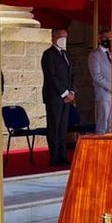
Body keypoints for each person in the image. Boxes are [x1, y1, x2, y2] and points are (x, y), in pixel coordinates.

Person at [41, 27, 75, 166]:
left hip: (67, 98)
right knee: (54, 127)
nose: (63, 40)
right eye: (61, 37)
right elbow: (51, 76)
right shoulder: (48, 54)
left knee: (62, 128)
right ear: (53, 37)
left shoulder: (66, 54)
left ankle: (62, 155)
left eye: (65, 37)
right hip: (54, 97)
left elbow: (72, 75)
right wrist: (64, 93)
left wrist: (72, 91)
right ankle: (54, 156)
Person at [88, 28, 112, 135]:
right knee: (103, 122)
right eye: (106, 38)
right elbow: (96, 75)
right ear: (99, 39)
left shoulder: (111, 54)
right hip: (103, 93)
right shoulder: (94, 55)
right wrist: (111, 87)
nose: (108, 40)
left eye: (110, 38)